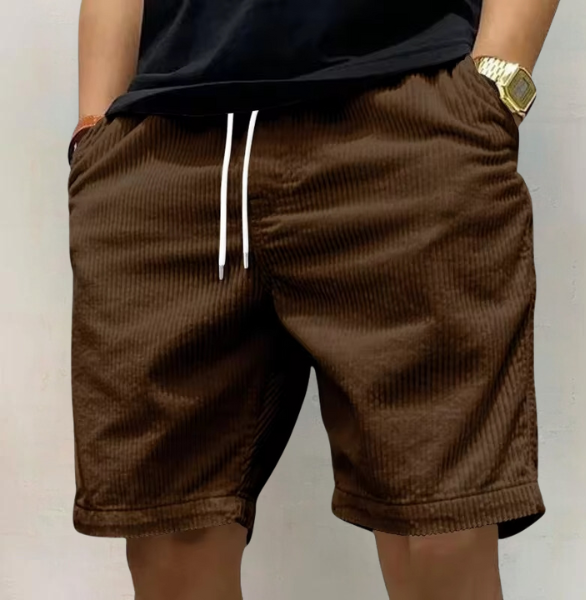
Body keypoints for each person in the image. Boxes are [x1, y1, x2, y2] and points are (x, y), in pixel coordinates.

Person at [67, 0, 559, 598]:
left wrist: (497, 85)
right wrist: (94, 130)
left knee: (441, 528)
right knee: (169, 539)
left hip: (402, 118)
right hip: (165, 148)